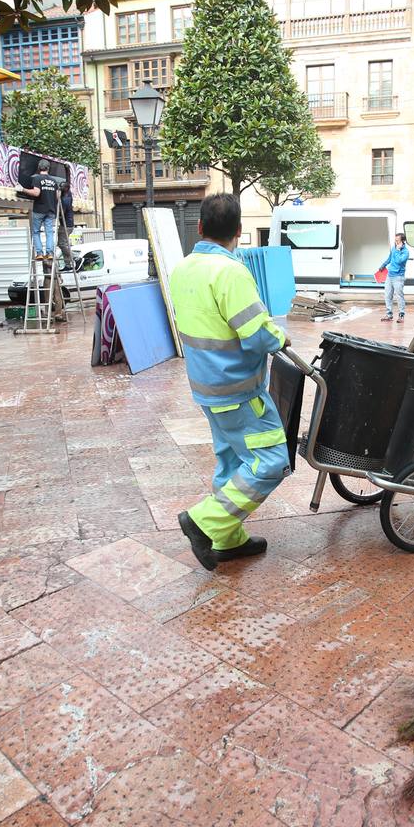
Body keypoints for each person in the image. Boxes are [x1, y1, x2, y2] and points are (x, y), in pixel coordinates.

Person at [171, 193, 290, 570]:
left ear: (200, 227)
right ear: (239, 230)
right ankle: (206, 522)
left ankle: (227, 538)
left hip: (206, 388)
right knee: (271, 461)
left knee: (232, 460)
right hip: (239, 390)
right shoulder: (231, 272)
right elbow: (256, 333)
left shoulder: (182, 269)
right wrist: (281, 337)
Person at [21, 158, 63, 260]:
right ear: (48, 168)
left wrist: (23, 189)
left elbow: (36, 193)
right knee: (49, 233)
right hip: (51, 210)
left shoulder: (37, 179)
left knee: (36, 232)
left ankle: (39, 253)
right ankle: (50, 253)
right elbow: (58, 196)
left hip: (39, 210)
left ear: (39, 168)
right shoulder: (54, 181)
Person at [379, 232, 409, 323]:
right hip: (389, 275)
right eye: (395, 240)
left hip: (398, 277)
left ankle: (401, 315)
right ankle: (389, 315)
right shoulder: (394, 248)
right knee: (388, 295)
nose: (396, 242)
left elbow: (399, 261)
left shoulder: (405, 252)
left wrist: (398, 250)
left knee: (399, 296)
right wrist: (383, 265)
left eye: (398, 241)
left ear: (402, 241)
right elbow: (390, 258)